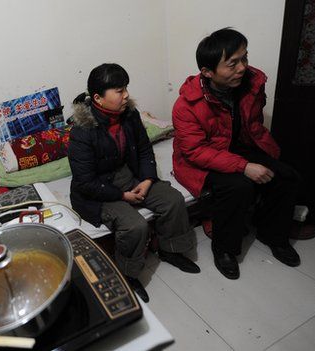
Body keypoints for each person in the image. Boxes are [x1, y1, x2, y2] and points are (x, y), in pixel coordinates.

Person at [172, 28, 302, 280]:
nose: (242, 68)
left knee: (286, 176)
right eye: (232, 64)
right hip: (200, 159)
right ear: (208, 72)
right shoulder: (187, 105)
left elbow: (251, 123)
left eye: (244, 58)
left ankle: (273, 235)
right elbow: (195, 151)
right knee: (238, 187)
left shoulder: (251, 83)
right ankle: (225, 250)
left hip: (237, 145)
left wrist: (260, 154)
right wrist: (243, 166)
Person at [68, 63, 199, 302]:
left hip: (128, 174)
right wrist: (122, 196)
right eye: (119, 90)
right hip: (98, 189)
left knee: (173, 200)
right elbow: (85, 182)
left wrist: (148, 179)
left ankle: (171, 250)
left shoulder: (130, 115)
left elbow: (144, 150)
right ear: (97, 98)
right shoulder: (82, 131)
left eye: (125, 87)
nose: (126, 94)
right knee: (134, 225)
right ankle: (127, 275)